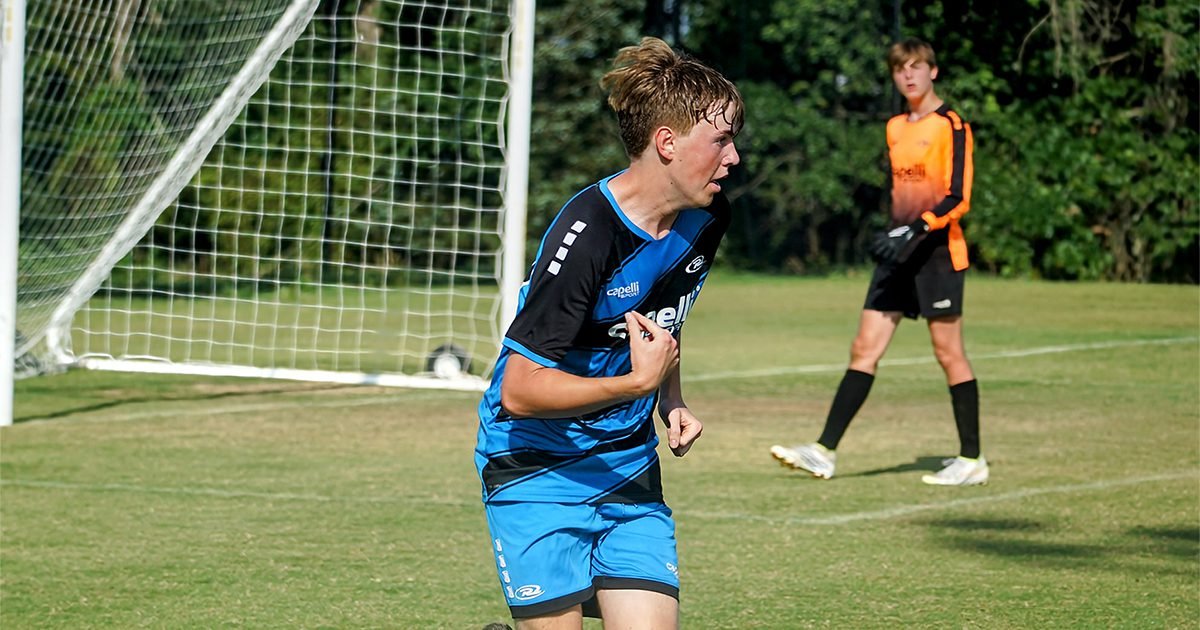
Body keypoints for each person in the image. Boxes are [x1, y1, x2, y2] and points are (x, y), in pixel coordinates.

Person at [474, 37, 743, 628]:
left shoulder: (707, 216)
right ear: (667, 143)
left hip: (625, 463)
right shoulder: (587, 232)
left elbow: (663, 318)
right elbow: (520, 391)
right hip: (535, 465)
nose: (734, 158)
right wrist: (632, 387)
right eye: (721, 139)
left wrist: (670, 397)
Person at [770, 37, 987, 486]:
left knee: (949, 354)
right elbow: (899, 194)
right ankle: (824, 451)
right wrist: (892, 231)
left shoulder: (952, 125)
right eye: (899, 69)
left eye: (915, 66)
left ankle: (971, 460)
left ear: (933, 70)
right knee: (863, 349)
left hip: (939, 254)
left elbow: (957, 197)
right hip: (898, 256)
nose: (907, 75)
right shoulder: (894, 127)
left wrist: (917, 227)